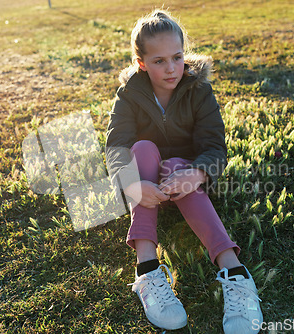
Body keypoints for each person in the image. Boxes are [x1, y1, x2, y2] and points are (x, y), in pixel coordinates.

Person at [105, 9, 262, 333]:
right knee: (143, 148)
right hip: (145, 178)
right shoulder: (130, 94)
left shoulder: (199, 91)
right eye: (159, 60)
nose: (172, 68)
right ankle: (147, 269)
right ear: (141, 62)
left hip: (187, 180)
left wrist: (200, 174)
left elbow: (215, 147)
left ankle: (235, 274)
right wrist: (132, 185)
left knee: (177, 163)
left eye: (177, 57)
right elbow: (116, 146)